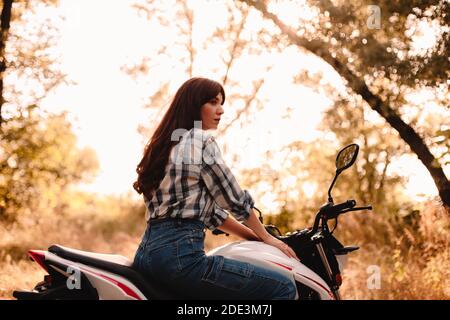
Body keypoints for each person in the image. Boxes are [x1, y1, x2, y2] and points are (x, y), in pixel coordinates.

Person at [132, 77, 299, 300]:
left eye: (221, 103)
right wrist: (267, 237)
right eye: (213, 102)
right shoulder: (200, 140)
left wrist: (252, 236)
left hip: (147, 256)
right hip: (180, 257)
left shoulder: (163, 146)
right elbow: (232, 198)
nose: (220, 110)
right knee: (283, 287)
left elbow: (211, 213)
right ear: (193, 104)